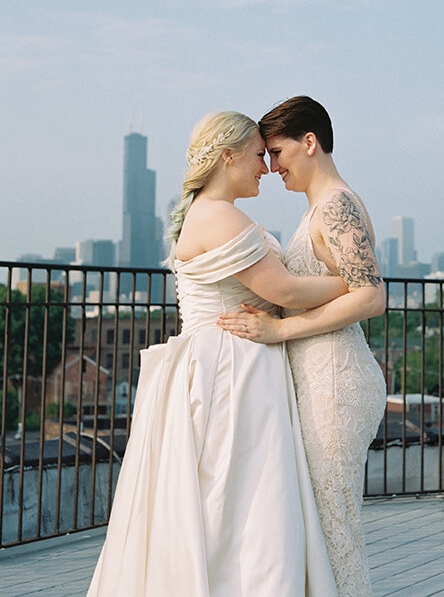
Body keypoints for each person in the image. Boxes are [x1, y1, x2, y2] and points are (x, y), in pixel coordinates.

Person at [87, 111, 342, 597]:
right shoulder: (221, 216)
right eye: (255, 157)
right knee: (244, 503)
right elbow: (284, 290)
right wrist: (353, 284)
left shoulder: (206, 212)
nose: (264, 169)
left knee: (221, 504)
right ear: (227, 157)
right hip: (233, 371)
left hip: (221, 363)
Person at [218, 96, 387, 597]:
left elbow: (372, 296)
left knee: (335, 532)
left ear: (309, 142)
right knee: (319, 529)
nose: (270, 167)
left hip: (335, 384)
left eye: (275, 152)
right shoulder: (320, 208)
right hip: (317, 380)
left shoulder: (337, 206)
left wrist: (279, 331)